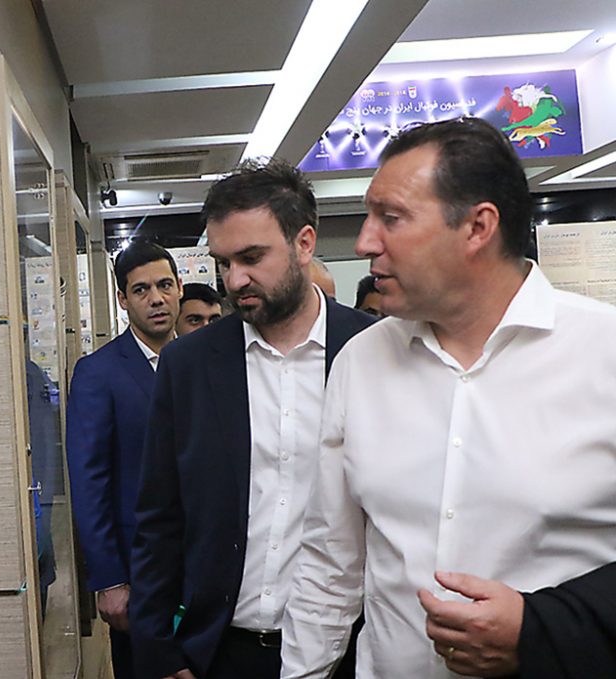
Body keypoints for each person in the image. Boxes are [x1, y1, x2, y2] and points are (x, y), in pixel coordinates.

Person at [278, 117, 616, 679]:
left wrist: (545, 628)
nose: (364, 242)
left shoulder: (604, 351)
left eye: (391, 218)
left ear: (478, 227)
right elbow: (330, 563)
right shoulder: (360, 363)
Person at [130, 160, 374, 679]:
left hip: (347, 650)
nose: (234, 279)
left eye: (252, 257)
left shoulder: (373, 352)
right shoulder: (189, 365)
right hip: (221, 651)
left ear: (304, 244)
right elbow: (159, 516)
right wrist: (159, 650)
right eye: (223, 262)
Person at [67, 240, 183, 678]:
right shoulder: (99, 372)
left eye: (165, 285)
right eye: (141, 290)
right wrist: (109, 579)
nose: (156, 298)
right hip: (140, 572)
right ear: (122, 300)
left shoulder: (200, 361)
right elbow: (89, 480)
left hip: (208, 566)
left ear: (179, 288)